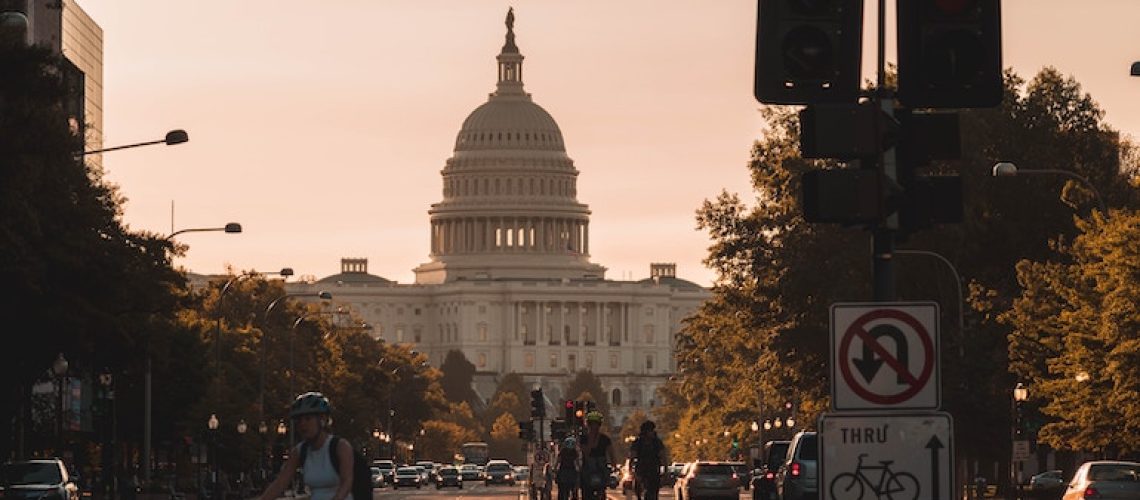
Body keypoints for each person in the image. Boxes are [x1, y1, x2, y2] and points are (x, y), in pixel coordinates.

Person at [256, 392, 355, 500]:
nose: (302, 424)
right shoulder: (300, 451)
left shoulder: (340, 446)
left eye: (308, 419)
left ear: (322, 420)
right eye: (299, 420)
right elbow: (280, 483)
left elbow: (347, 482)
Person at [579, 411, 616, 500]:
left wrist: (614, 466)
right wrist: (591, 440)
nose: (594, 427)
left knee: (603, 488)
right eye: (592, 424)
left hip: (601, 469)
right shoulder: (584, 438)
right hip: (588, 469)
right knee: (585, 489)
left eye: (596, 424)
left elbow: (611, 453)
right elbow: (585, 452)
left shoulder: (605, 439)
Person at [629, 420, 667, 500]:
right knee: (638, 488)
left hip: (653, 469)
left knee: (653, 491)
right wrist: (631, 469)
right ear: (645, 432)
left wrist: (665, 470)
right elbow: (632, 456)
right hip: (641, 470)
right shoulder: (638, 442)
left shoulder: (657, 442)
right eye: (651, 430)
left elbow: (663, 456)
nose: (653, 432)